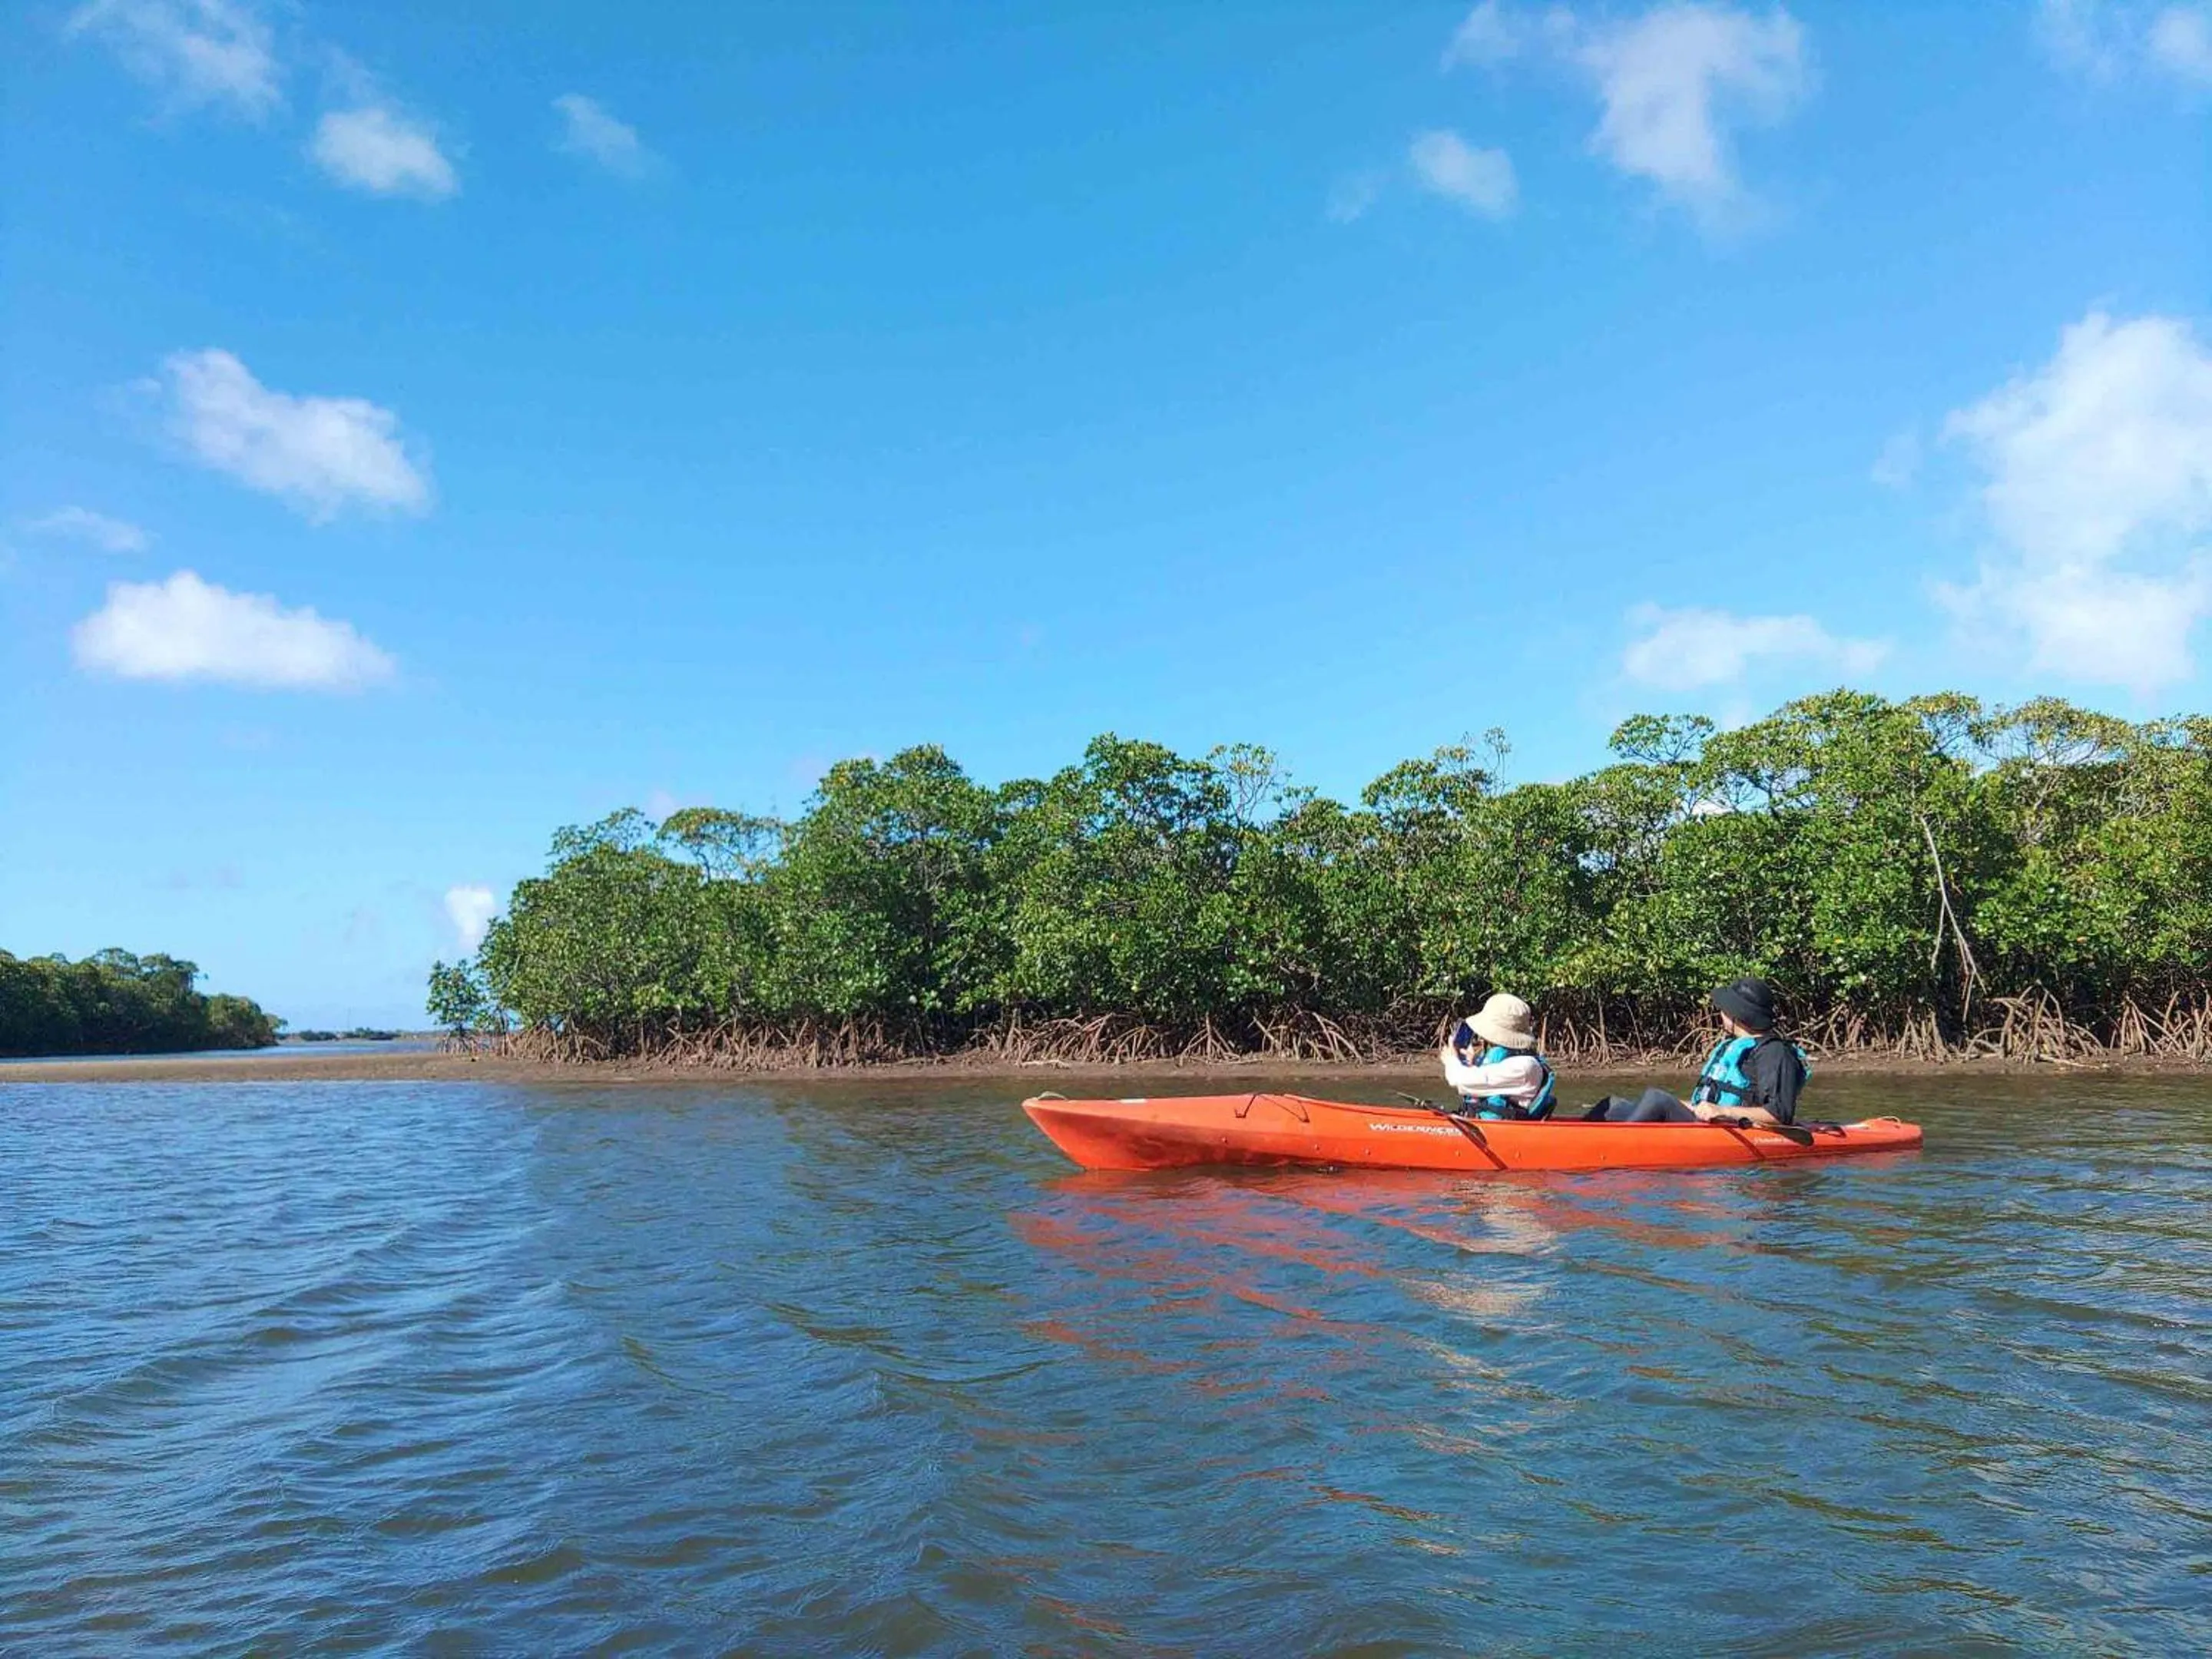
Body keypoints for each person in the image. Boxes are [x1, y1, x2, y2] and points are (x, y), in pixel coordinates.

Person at [1584, 977, 1807, 1124]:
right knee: (1613, 1105)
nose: (1720, 1013)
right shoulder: (1735, 1045)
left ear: (1738, 1015)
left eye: (1724, 1009)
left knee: (1657, 1099)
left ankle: (1615, 1149)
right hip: (1713, 1124)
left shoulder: (1774, 1053)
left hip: (1732, 1129)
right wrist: (1694, 1106)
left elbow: (1779, 1114)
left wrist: (1724, 1112)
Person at [1439, 992, 1556, 1120]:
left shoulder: (1524, 1066)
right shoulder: (1514, 1060)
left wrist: (1451, 1059)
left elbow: (1460, 1080)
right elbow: (1485, 1082)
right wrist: (1472, 1065)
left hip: (1502, 1129)